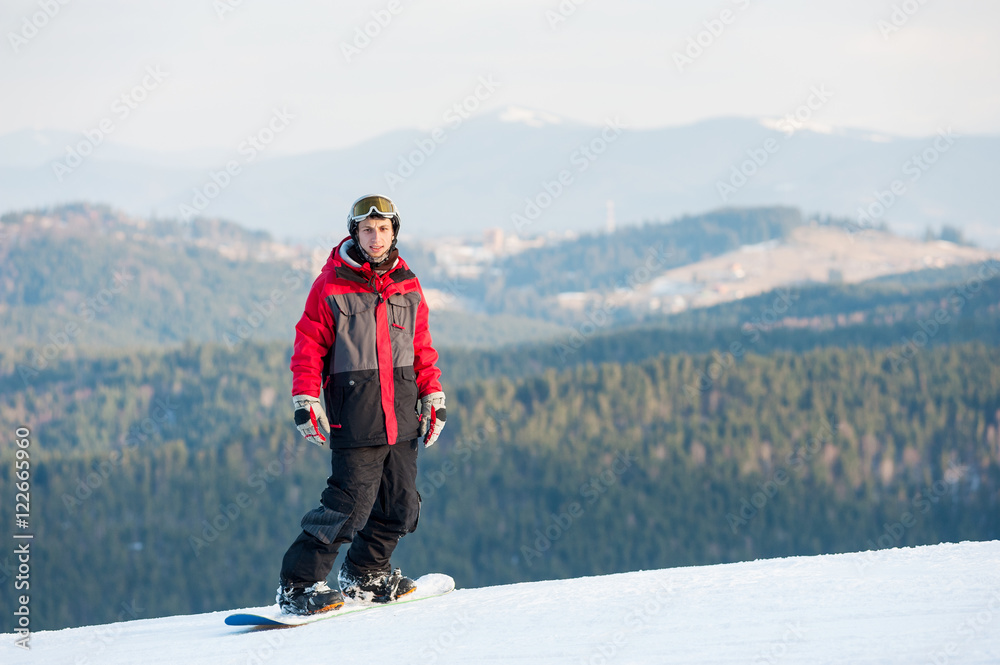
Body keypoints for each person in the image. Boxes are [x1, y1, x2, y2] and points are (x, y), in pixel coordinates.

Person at [276, 194, 447, 615]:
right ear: (355, 232)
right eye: (367, 230)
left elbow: (421, 345)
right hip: (358, 412)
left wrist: (432, 393)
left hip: (404, 411)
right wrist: (305, 397)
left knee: (401, 503)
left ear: (394, 232)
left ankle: (366, 574)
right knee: (348, 505)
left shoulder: (408, 283)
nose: (375, 237)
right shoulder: (331, 284)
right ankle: (299, 586)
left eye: (383, 229)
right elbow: (308, 346)